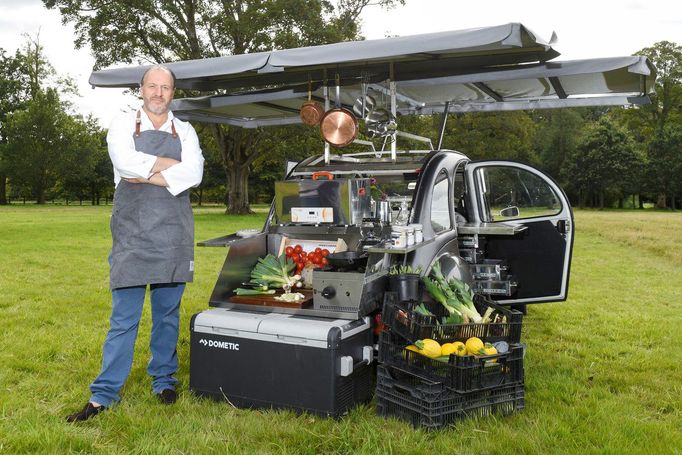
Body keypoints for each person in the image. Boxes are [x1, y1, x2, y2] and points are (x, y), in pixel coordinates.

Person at [66, 64, 204, 422]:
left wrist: (149, 174)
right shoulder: (123, 124)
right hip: (131, 236)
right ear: (141, 90)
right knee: (123, 319)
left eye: (166, 87)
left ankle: (164, 380)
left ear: (173, 93)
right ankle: (103, 394)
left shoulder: (185, 130)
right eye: (153, 86)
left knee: (167, 316)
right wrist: (168, 167)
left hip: (174, 236)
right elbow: (124, 163)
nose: (159, 93)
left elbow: (194, 173)